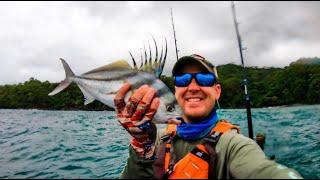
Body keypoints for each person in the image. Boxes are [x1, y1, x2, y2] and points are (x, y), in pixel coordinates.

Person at [114, 54, 303, 179]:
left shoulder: (234, 145)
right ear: (175, 90)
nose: (193, 87)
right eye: (183, 79)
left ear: (217, 91)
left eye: (204, 79)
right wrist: (142, 148)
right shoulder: (153, 137)